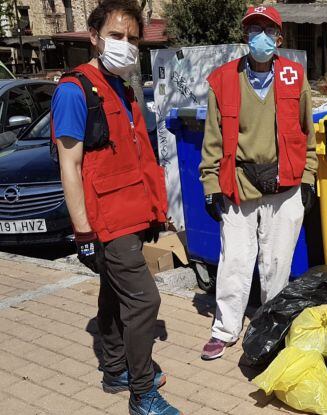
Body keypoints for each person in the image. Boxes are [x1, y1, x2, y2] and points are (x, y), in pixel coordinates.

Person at [51, 0, 180, 414]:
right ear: (94, 37)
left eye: (132, 39)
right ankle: (142, 395)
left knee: (113, 292)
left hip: (129, 209)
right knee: (144, 303)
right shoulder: (74, 90)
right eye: (116, 36)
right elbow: (69, 166)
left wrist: (154, 210)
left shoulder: (122, 86)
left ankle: (115, 369)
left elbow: (134, 154)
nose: (126, 45)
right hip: (106, 219)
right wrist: (84, 233)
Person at [199, 5, 317, 360]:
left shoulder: (295, 77)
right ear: (245, 36)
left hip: (285, 184)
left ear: (279, 38)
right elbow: (213, 139)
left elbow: (308, 133)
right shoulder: (222, 80)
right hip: (239, 182)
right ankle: (226, 329)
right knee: (234, 259)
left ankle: (271, 325)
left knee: (277, 262)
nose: (260, 37)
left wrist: (309, 178)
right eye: (253, 30)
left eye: (267, 30)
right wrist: (210, 185)